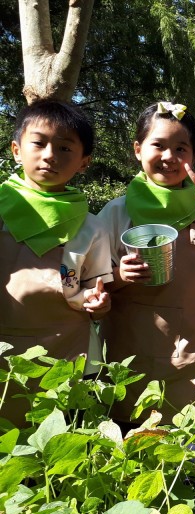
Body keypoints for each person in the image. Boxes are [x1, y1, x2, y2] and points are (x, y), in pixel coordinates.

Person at [97, 101, 195, 424]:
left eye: (181, 148)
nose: (169, 157)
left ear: (193, 157)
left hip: (192, 363)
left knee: (190, 457)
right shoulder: (115, 213)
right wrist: (121, 275)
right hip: (127, 365)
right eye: (158, 145)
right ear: (138, 150)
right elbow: (91, 286)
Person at [0, 99, 111, 426]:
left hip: (67, 350)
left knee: (59, 445)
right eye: (39, 143)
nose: (50, 155)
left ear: (84, 162)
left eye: (65, 148)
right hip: (4, 348)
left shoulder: (91, 225)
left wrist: (100, 303)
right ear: (17, 150)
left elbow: (95, 287)